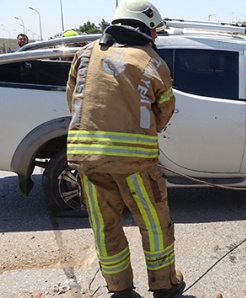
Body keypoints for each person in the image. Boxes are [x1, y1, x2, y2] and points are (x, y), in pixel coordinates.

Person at [65, 1, 184, 297]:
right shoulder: (151, 61)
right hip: (135, 165)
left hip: (89, 162)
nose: (156, 37)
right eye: (155, 30)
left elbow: (74, 100)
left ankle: (120, 290)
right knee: (155, 225)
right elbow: (165, 110)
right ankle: (165, 285)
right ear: (145, 28)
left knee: (106, 228)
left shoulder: (84, 54)